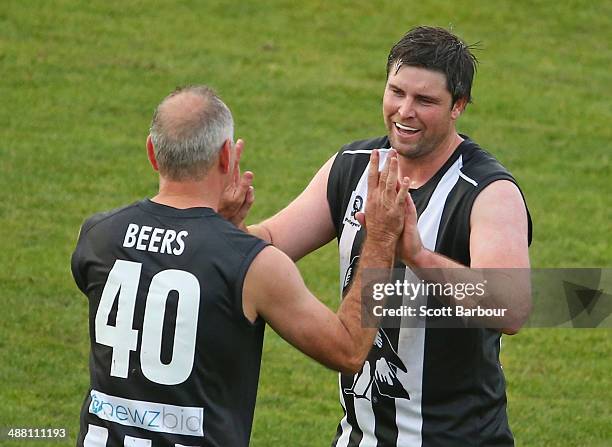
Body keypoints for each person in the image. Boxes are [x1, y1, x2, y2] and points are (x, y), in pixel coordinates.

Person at [222, 26, 533, 446]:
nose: (404, 112)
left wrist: (418, 256)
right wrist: (230, 226)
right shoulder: (353, 167)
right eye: (396, 92)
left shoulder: (487, 193)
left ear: (458, 105)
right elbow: (273, 241)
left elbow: (511, 308)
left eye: (425, 101)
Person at [71, 85, 410, 446]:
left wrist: (219, 232)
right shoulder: (252, 264)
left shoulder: (98, 235)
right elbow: (349, 349)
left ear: (152, 153)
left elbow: (170, 274)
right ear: (225, 158)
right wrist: (381, 239)